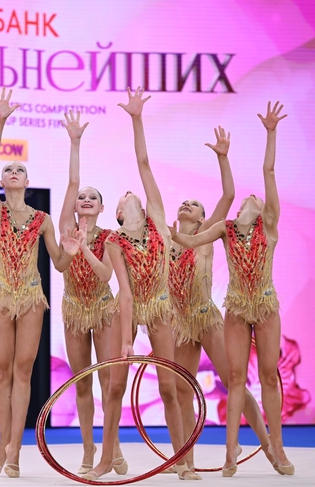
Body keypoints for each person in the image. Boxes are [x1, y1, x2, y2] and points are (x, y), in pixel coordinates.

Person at [172, 101, 294, 475]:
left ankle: (276, 446)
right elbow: (190, 243)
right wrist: (159, 231)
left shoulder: (268, 226)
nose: (253, 198)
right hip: (235, 308)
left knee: (269, 376)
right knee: (237, 379)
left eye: (257, 199)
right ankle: (229, 453)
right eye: (250, 198)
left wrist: (270, 133)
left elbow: (268, 169)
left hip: (264, 305)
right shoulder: (223, 229)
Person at [85, 87, 200, 481]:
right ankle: (106, 458)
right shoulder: (114, 241)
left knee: (168, 388)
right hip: (128, 306)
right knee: (115, 387)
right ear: (117, 213)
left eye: (134, 193)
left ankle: (182, 460)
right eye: (125, 195)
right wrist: (125, 339)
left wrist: (136, 118)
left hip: (161, 306)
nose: (131, 192)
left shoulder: (157, 223)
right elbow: (123, 290)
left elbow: (145, 163)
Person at [0, 87, 82, 478]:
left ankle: (15, 453)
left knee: (23, 373)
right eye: (8, 170)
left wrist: (70, 251)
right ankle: (0, 447)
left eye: (18, 170)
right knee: (2, 374)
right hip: (2, 295)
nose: (11, 172)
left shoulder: (42, 219)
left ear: (27, 180)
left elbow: (57, 264)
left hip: (31, 297)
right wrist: (0, 121)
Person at [57, 110, 121, 474]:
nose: (83, 199)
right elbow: (60, 268)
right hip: (73, 309)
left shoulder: (110, 237)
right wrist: (75, 142)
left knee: (109, 382)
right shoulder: (67, 228)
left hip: (103, 307)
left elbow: (105, 275)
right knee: (82, 382)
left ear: (100, 208)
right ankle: (87, 449)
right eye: (82, 197)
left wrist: (83, 249)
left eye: (91, 197)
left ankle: (111, 450)